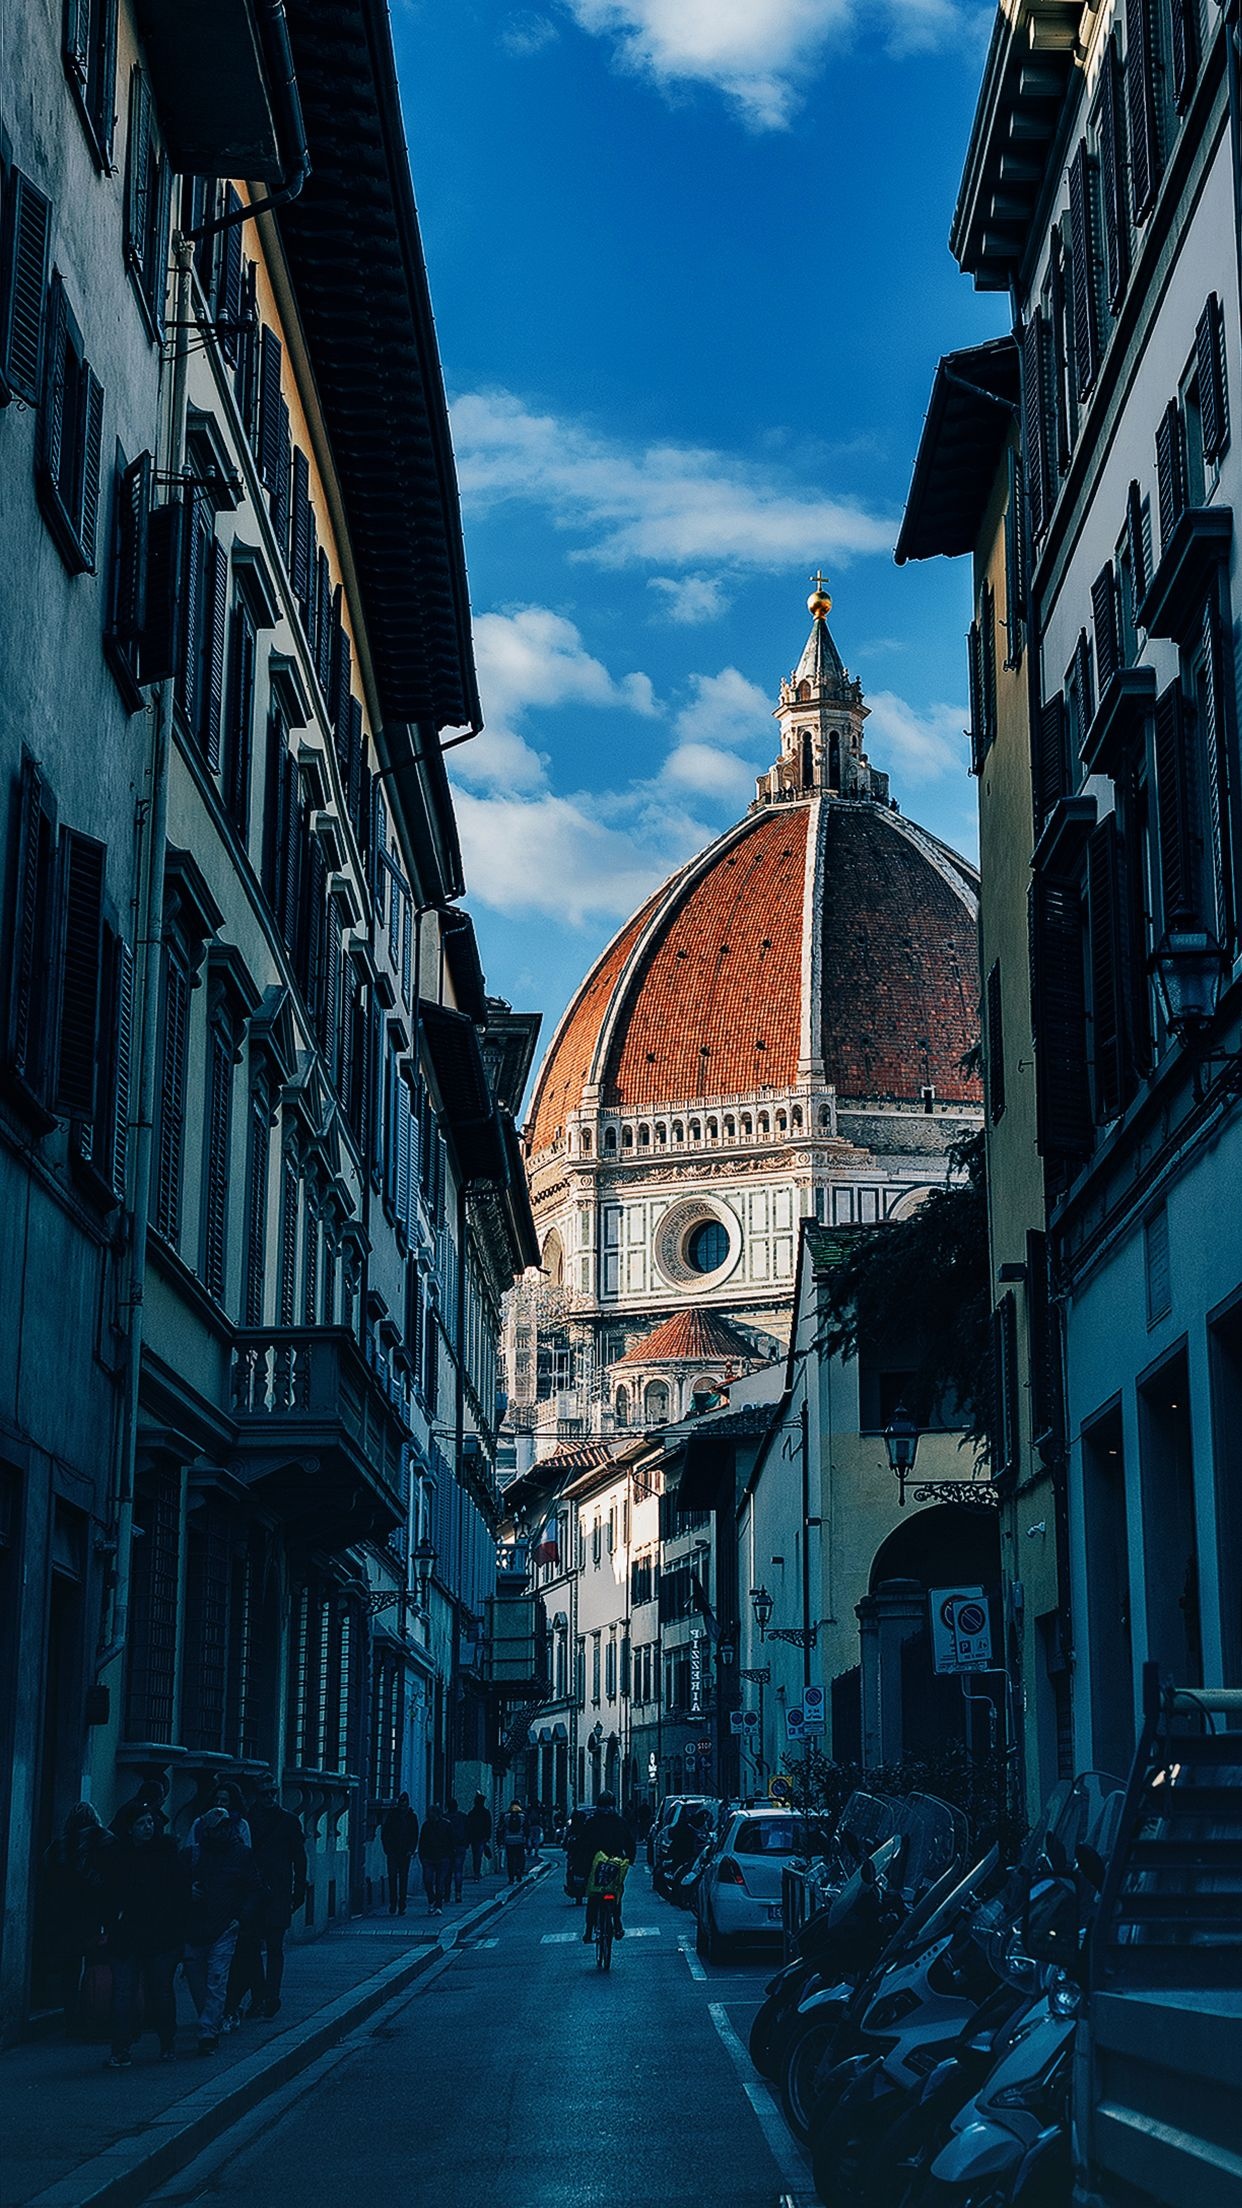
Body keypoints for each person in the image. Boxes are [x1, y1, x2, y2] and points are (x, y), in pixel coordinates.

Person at [103, 1801, 188, 2066]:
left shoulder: (166, 1853)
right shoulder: (117, 1855)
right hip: (128, 1934)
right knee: (124, 1992)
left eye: (150, 1822)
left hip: (161, 1935)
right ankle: (120, 2048)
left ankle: (166, 2042)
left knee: (160, 1990)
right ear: (129, 1828)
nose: (148, 1827)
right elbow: (107, 1895)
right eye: (141, 1823)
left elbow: (179, 1893)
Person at [182, 1808, 259, 2054]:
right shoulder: (191, 1855)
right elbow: (169, 1885)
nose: (223, 1831)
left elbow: (255, 1888)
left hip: (226, 1926)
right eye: (217, 1827)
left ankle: (208, 2032)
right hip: (194, 1927)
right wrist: (186, 1892)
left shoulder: (242, 1855)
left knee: (216, 1979)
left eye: (226, 1826)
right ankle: (209, 2021)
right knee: (197, 1982)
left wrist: (241, 1917)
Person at [234, 1772, 307, 2020]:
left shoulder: (288, 1820)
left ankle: (271, 1995)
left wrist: (300, 1888)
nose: (269, 1797)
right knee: (252, 1947)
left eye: (272, 1793)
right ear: (257, 1794)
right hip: (252, 1893)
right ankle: (260, 1995)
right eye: (265, 1793)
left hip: (278, 1891)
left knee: (275, 1946)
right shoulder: (246, 1820)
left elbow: (300, 1856)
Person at [39, 1802, 113, 2032]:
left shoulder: (57, 1847)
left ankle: (71, 2017)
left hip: (65, 1913)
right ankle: (93, 2014)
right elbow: (114, 1877)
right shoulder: (106, 1841)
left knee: (69, 1969)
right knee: (95, 1965)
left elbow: (47, 1879)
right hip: (96, 1912)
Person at [580, 1792, 636, 1944]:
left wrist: (583, 1863)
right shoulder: (620, 1822)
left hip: (595, 1864)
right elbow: (630, 1842)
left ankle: (588, 1931)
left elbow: (582, 1843)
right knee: (616, 1892)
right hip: (614, 1864)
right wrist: (630, 1859)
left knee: (593, 1896)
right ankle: (617, 1924)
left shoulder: (591, 1822)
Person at [381, 1792, 419, 1916]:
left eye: (404, 1804)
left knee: (403, 1878)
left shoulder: (412, 1817)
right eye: (401, 1804)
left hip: (405, 1852)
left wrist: (411, 1850)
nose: (402, 1806)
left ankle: (402, 1904)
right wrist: (387, 1848)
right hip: (393, 1851)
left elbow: (414, 1835)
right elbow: (385, 1833)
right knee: (392, 1877)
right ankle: (393, 1903)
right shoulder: (393, 1815)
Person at [417, 1805, 453, 1915]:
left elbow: (451, 1841)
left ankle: (438, 1904)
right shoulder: (426, 1826)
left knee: (439, 1882)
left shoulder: (446, 1825)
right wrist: (422, 1856)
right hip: (428, 1857)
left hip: (443, 1857)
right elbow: (422, 1841)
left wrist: (450, 1855)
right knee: (427, 1880)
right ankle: (431, 1898)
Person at [498, 1800, 527, 1884]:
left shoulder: (505, 1815)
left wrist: (500, 1840)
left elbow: (501, 1828)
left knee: (510, 1859)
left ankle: (511, 1878)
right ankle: (518, 1870)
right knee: (520, 1858)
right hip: (520, 1840)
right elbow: (526, 1828)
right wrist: (526, 1838)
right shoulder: (523, 1815)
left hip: (509, 1840)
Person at [446, 1797, 468, 1903]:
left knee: (447, 1872)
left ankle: (446, 1894)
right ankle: (458, 1894)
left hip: (448, 1848)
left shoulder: (445, 1818)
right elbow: (468, 1831)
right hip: (460, 1846)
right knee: (458, 1871)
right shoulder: (463, 1817)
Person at [465, 1792, 492, 1879]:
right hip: (481, 1837)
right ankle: (477, 1872)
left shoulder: (472, 1813)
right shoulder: (486, 1812)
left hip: (474, 1837)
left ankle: (476, 1872)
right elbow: (488, 1825)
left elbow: (468, 1826)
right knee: (478, 1855)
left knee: (475, 1855)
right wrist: (488, 1836)